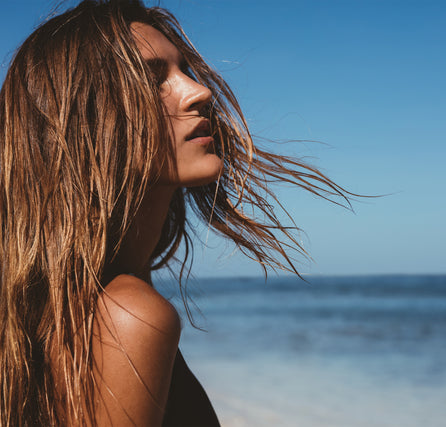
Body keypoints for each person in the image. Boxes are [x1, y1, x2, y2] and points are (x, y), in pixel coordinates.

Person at [0, 0, 350, 425]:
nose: (198, 91)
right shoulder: (127, 316)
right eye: (153, 80)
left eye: (184, 70)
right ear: (85, 122)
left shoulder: (60, 312)